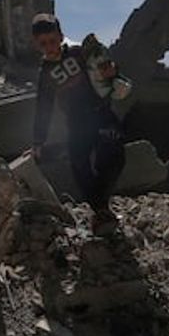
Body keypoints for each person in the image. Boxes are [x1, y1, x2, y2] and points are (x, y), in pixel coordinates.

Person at [28, 16, 126, 233]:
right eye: (43, 44)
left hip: (101, 113)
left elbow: (105, 71)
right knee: (79, 166)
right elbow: (43, 107)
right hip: (76, 123)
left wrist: (114, 72)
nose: (49, 48)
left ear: (60, 37)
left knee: (114, 157)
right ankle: (101, 212)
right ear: (36, 44)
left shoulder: (78, 52)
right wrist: (38, 141)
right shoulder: (45, 73)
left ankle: (101, 207)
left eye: (52, 41)